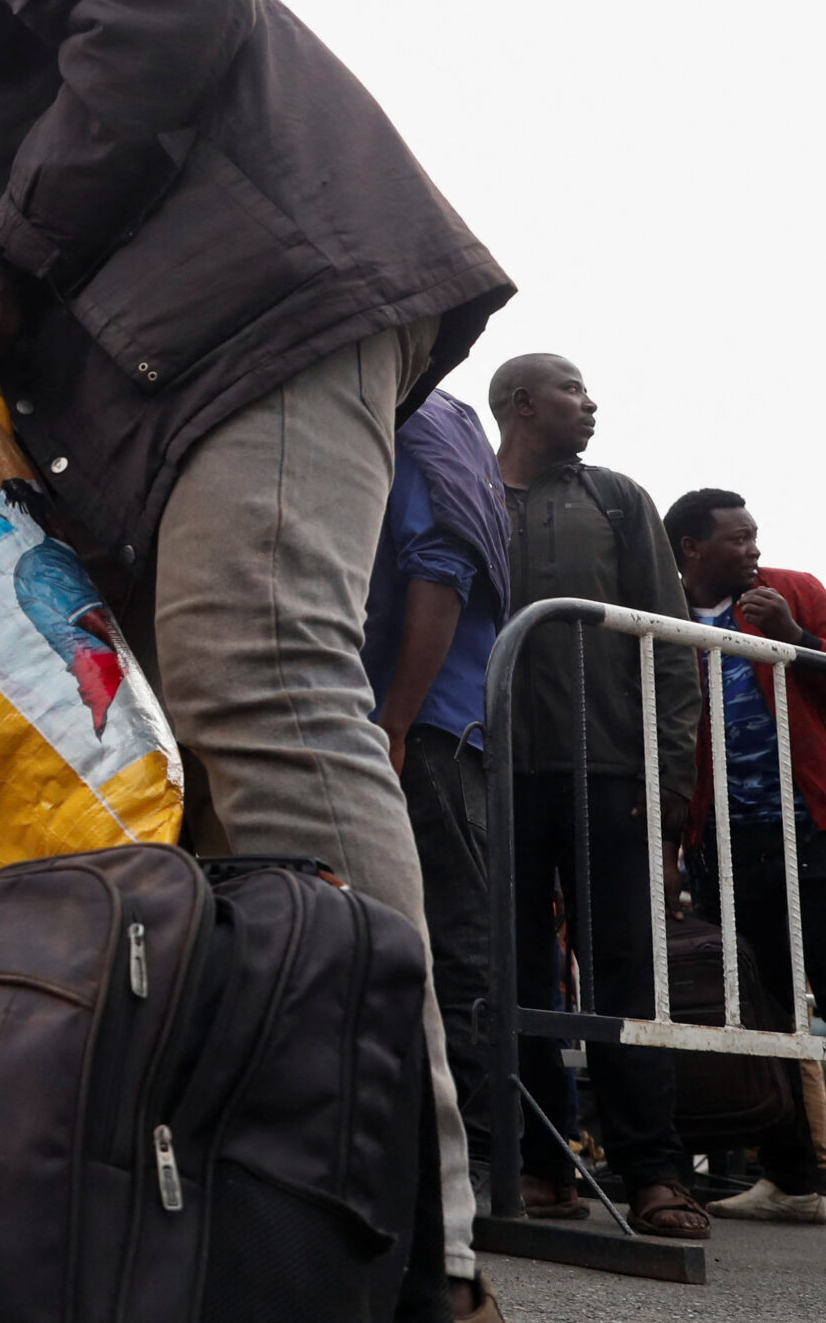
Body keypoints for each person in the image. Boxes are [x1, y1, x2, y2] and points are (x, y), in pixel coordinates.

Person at [0, 0, 517, 1312]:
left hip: (260, 322)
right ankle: (271, 1199)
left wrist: (11, 253)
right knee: (190, 795)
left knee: (268, 697)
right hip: (145, 416)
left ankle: (422, 1226)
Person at [490, 353, 706, 1239]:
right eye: (574, 389)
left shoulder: (616, 498)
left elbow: (669, 643)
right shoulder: (464, 487)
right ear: (521, 403)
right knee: (514, 969)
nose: (591, 403)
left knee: (626, 967)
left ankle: (655, 1171)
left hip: (611, 773)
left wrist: (667, 787)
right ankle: (545, 1162)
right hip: (496, 772)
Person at [664, 490, 826, 1222]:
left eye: (755, 536)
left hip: (815, 831)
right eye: (737, 539)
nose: (753, 549)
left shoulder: (793, 590)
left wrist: (793, 638)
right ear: (692, 549)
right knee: (760, 1011)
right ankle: (791, 1182)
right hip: (724, 844)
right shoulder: (666, 615)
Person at [361, 392, 509, 1157]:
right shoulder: (433, 416)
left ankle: (472, 1155)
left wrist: (395, 719)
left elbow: (440, 568)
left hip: (417, 725)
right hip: (414, 720)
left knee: (454, 939)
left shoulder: (414, 415)